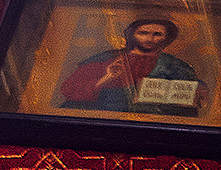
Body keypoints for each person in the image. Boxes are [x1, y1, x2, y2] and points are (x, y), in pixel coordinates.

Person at [57, 17, 202, 116]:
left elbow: (194, 99)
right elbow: (69, 91)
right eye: (143, 33)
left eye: (157, 34)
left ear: (167, 38)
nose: (150, 39)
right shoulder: (106, 60)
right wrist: (106, 78)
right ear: (132, 35)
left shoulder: (176, 66)